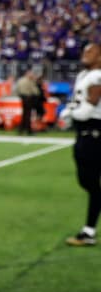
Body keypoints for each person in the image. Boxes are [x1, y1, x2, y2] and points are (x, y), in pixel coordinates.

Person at [62, 42, 101, 246]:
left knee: (92, 185)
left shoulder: (97, 76)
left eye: (91, 52)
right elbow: (79, 102)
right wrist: (71, 111)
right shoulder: (83, 76)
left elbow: (89, 106)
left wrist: (71, 114)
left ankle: (89, 232)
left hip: (94, 135)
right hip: (84, 135)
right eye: (84, 50)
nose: (85, 54)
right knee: (87, 182)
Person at [14, 69, 41, 135]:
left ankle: (21, 130)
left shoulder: (20, 80)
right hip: (28, 98)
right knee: (27, 115)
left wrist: (20, 96)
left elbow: (16, 90)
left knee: (25, 114)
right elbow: (35, 91)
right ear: (27, 74)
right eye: (31, 74)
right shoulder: (29, 81)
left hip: (23, 98)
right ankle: (28, 130)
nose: (32, 75)